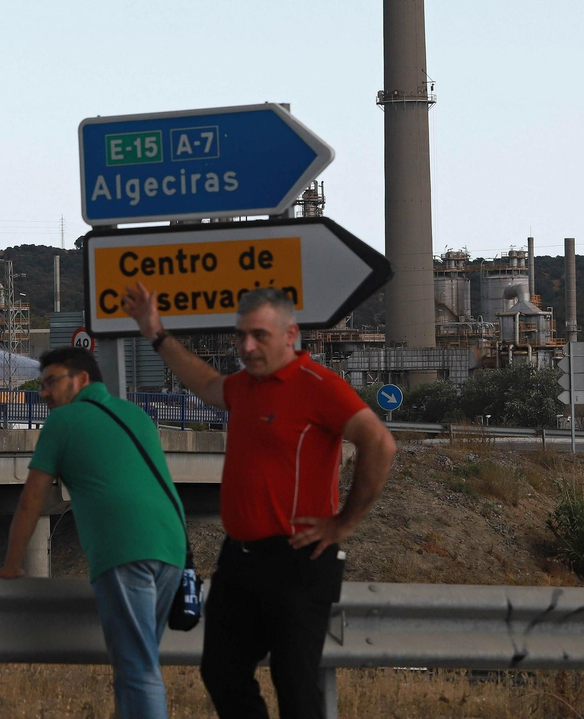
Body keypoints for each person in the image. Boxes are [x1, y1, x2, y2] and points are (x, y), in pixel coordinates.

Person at [121, 283, 396, 719]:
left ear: (290, 334)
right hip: (239, 559)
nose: (246, 347)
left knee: (295, 686)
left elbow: (379, 443)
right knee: (222, 672)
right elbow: (207, 382)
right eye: (241, 336)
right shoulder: (245, 386)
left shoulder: (318, 385)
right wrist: (155, 331)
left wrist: (343, 523)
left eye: (259, 336)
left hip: (298, 557)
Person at [0, 346, 186, 719]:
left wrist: (11, 565)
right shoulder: (136, 414)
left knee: (138, 670)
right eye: (41, 384)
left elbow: (30, 501)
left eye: (51, 382)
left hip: (124, 548)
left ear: (82, 380)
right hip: (172, 548)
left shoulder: (63, 422)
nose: (44, 393)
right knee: (136, 662)